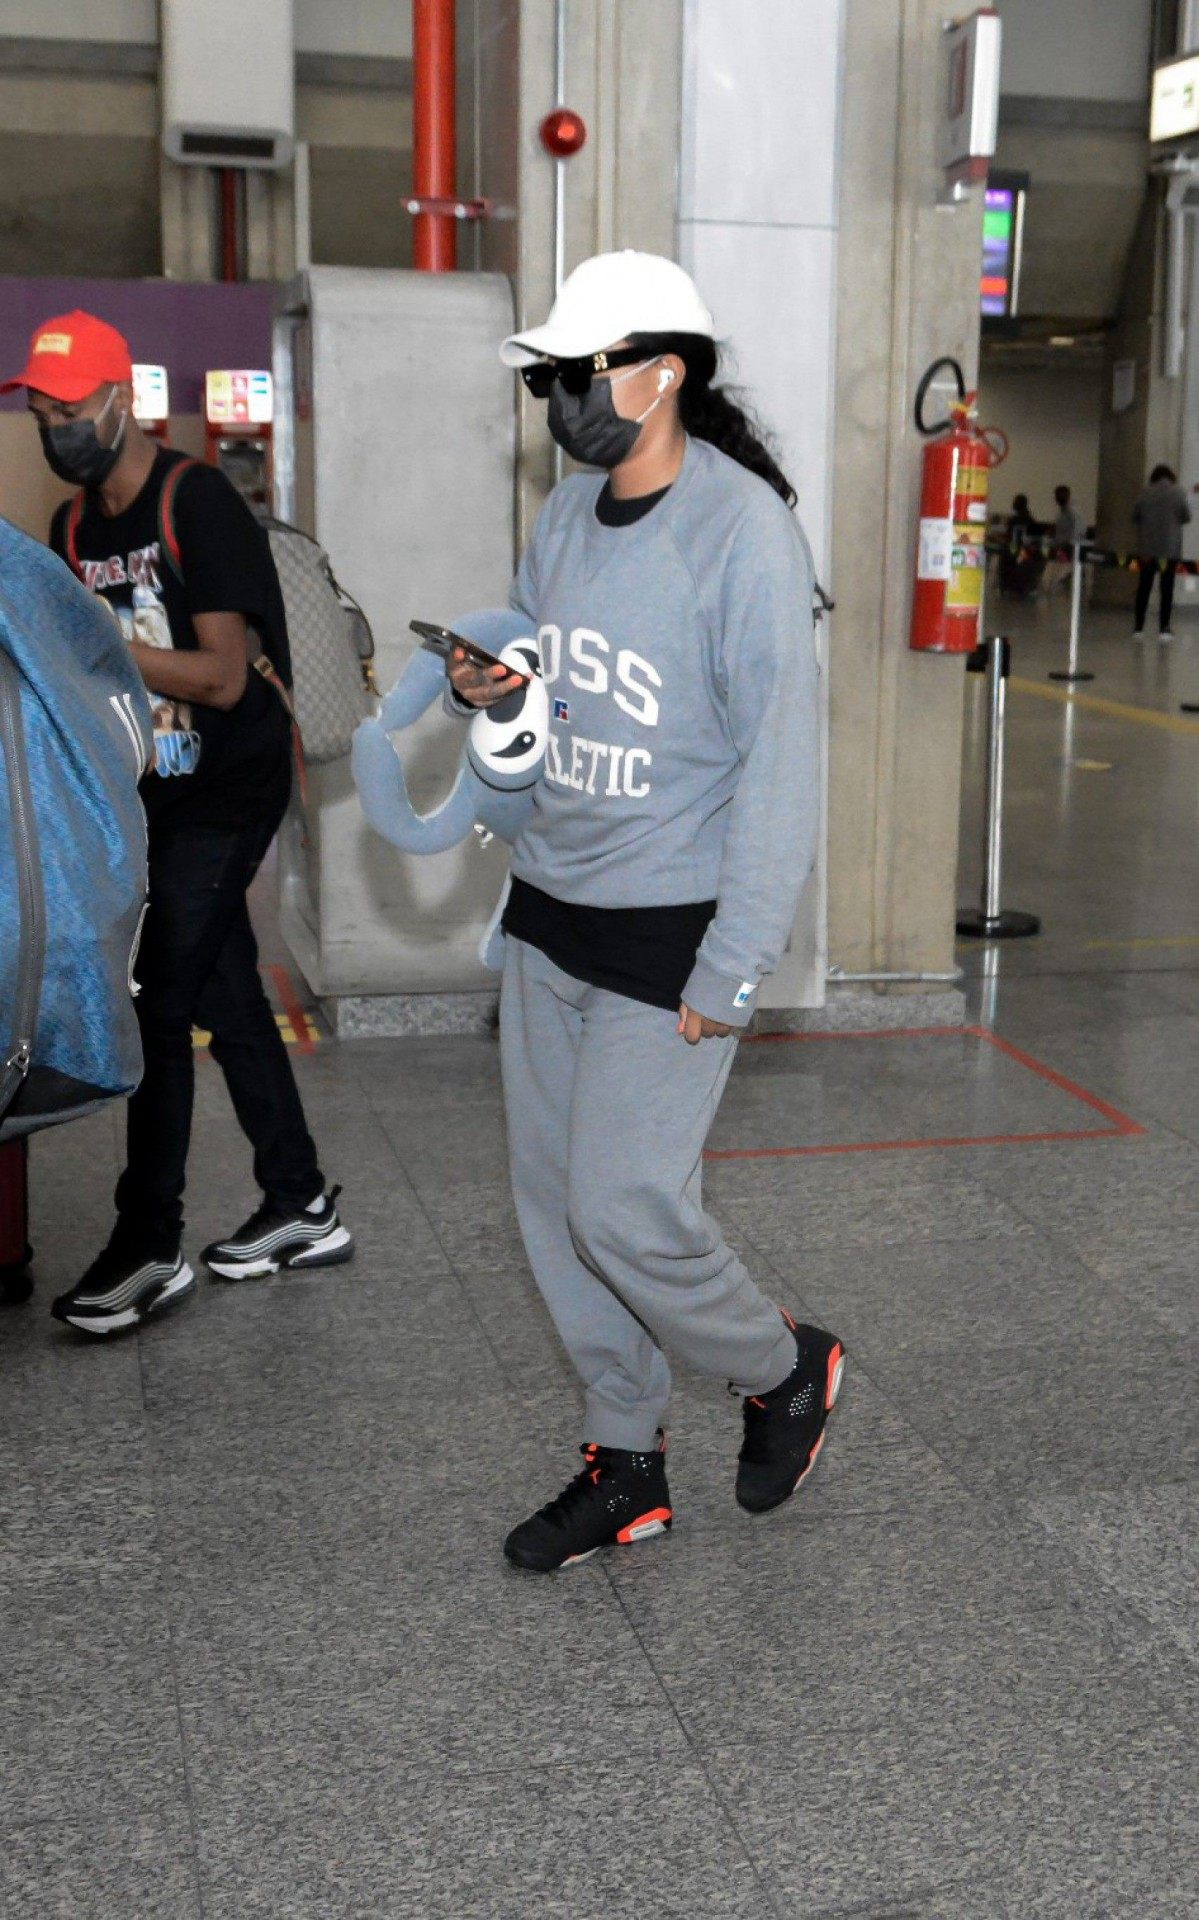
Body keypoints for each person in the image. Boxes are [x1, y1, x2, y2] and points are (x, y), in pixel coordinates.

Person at [446, 250, 844, 1574]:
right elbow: (552, 709)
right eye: (550, 375)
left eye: (578, 371)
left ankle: (779, 1364)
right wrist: (493, 692)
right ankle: (624, 1464)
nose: (559, 396)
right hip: (552, 910)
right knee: (555, 1211)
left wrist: (731, 968)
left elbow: (782, 765)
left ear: (659, 373)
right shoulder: (561, 521)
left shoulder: (741, 534)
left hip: (672, 930)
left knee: (620, 1202)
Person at [2, 310, 352, 1335]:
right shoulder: (76, 530)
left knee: (156, 1000)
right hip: (157, 797)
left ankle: (147, 1243)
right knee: (225, 992)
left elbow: (222, 676)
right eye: (40, 406)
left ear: (123, 401)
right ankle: (301, 1201)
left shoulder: (193, 502)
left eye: (71, 405)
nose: (56, 423)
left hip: (233, 785)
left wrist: (93, 643)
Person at [1132, 464, 1192, 642]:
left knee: (1144, 587)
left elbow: (1135, 516)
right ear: (1171, 477)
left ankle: (1138, 628)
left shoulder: (1145, 492)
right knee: (1167, 588)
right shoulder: (1178, 492)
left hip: (1147, 549)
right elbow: (1187, 517)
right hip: (1170, 549)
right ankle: (1164, 629)